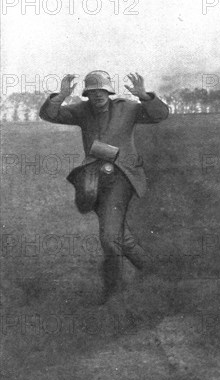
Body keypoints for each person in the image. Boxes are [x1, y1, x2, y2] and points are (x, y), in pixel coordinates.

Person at [39, 70, 169, 301]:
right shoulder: (81, 110)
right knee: (121, 236)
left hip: (122, 175)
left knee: (109, 238)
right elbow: (50, 115)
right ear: (87, 94)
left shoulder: (127, 108)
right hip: (93, 180)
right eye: (92, 91)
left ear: (109, 91)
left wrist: (144, 96)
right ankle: (156, 274)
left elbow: (159, 115)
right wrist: (61, 95)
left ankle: (114, 294)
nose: (98, 95)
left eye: (102, 91)